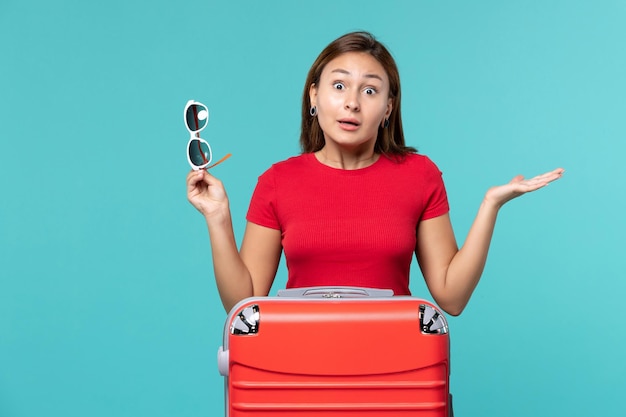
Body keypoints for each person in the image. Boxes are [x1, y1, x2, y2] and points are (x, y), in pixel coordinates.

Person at [186, 31, 563, 315]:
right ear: (314, 96)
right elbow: (243, 303)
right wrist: (218, 218)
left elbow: (452, 296)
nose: (351, 102)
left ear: (387, 108)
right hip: (300, 367)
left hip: (394, 368)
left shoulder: (420, 175)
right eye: (338, 85)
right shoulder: (277, 181)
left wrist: (490, 205)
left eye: (369, 91)